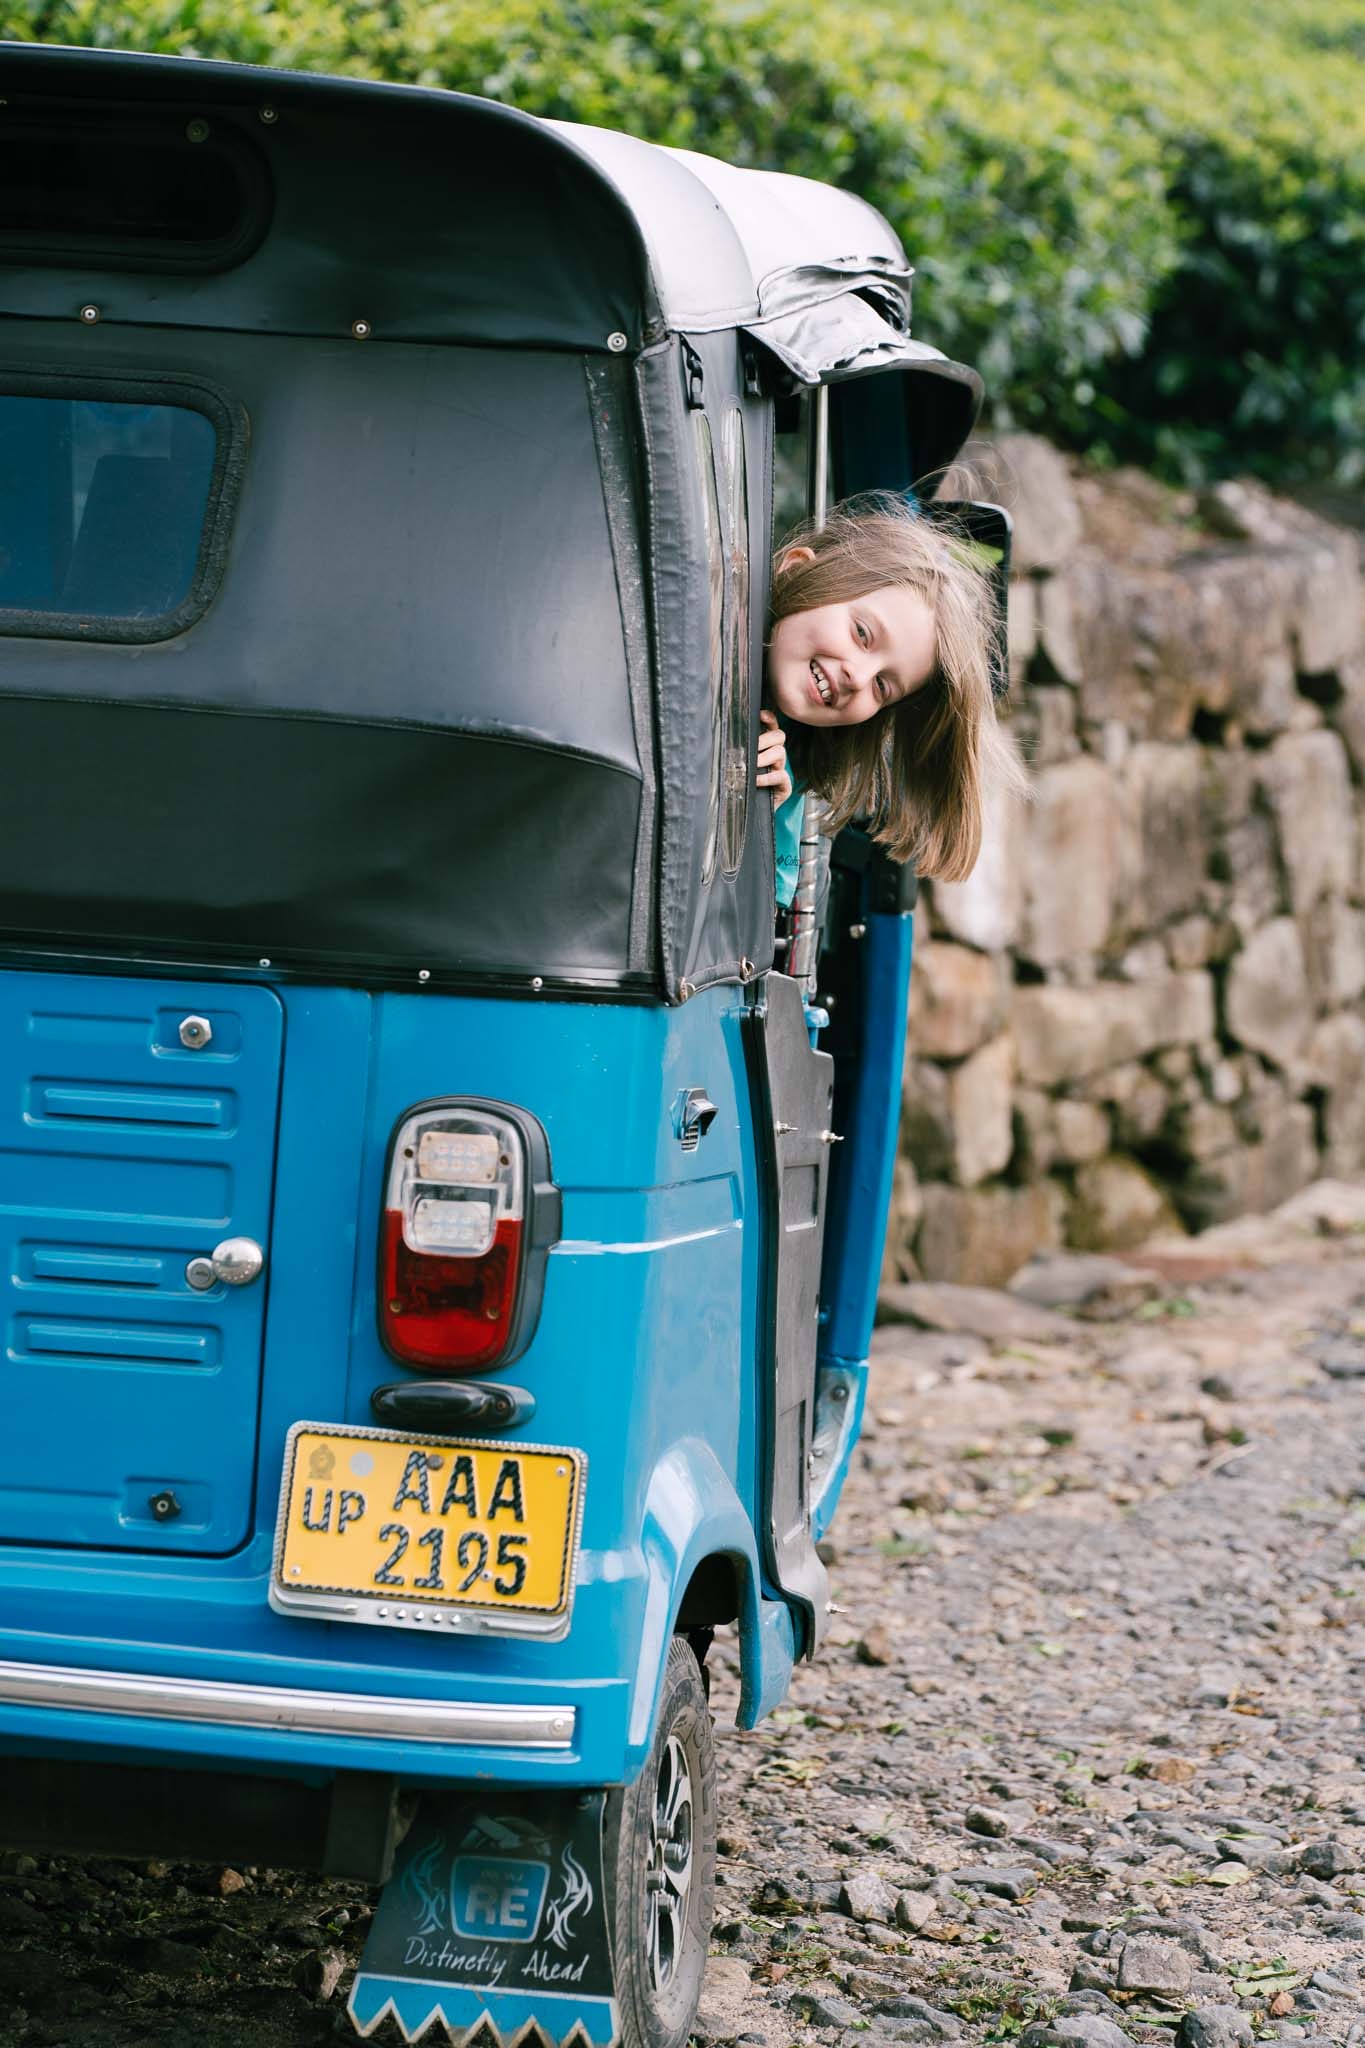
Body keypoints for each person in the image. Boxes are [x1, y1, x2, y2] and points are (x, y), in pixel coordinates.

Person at [754, 493, 1023, 909]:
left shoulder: (784, 773)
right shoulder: (699, 636)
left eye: (883, 686)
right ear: (798, 568)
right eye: (862, 634)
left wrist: (759, 815)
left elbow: (757, 917)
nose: (858, 678)